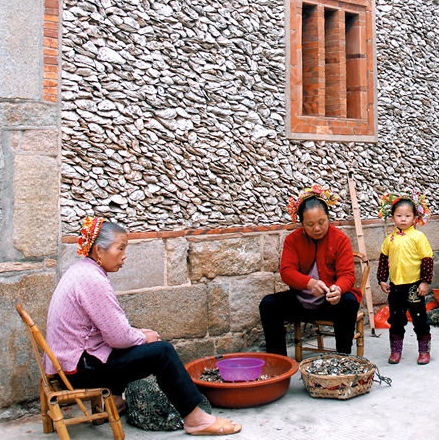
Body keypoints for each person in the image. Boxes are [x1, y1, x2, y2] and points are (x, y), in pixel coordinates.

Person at [45, 217, 240, 436]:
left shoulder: (82, 270)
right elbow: (117, 337)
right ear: (99, 251)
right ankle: (196, 419)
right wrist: (143, 337)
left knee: (134, 333)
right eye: (120, 249)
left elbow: (113, 330)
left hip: (73, 360)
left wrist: (137, 333)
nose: (124, 255)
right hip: (79, 369)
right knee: (162, 352)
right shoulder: (93, 280)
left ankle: (116, 402)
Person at [259, 186, 361, 356]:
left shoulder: (340, 239)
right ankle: (280, 365)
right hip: (300, 300)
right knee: (268, 304)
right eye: (310, 224)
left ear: (328, 218)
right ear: (302, 224)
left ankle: (343, 358)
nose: (317, 228)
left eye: (322, 222)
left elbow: (348, 275)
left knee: (349, 301)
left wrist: (339, 289)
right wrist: (309, 283)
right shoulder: (293, 239)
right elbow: (286, 271)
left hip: (328, 302)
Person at [377, 191, 434, 364]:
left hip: (414, 287)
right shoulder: (389, 239)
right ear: (392, 217)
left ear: (415, 218)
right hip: (395, 287)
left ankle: (424, 351)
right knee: (395, 320)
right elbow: (383, 260)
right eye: (399, 215)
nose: (403, 219)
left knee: (420, 319)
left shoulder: (418, 237)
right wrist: (381, 279)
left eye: (407, 215)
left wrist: (424, 281)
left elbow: (427, 260)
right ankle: (396, 351)